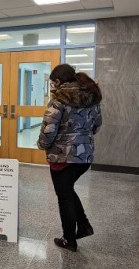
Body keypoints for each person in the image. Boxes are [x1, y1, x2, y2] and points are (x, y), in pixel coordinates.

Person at [36, 64, 103, 252]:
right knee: (68, 191)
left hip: (62, 158)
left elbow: (49, 130)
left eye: (53, 83)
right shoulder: (92, 97)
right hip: (85, 156)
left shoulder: (58, 101)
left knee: (64, 196)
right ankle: (83, 226)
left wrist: (42, 145)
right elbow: (97, 126)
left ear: (58, 81)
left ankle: (69, 239)